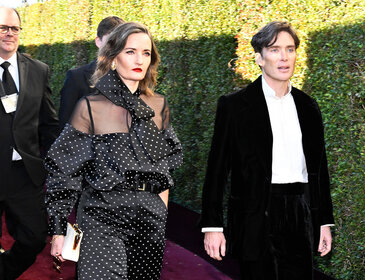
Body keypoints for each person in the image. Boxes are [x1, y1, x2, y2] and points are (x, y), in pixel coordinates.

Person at [46, 22, 183, 279]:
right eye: (130, 51)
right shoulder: (91, 107)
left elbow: (164, 168)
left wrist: (161, 214)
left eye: (146, 52)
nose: (139, 59)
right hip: (102, 217)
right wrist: (58, 229)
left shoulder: (158, 105)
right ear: (113, 57)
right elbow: (64, 171)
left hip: (149, 221)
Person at [200, 21, 334, 280]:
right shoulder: (235, 106)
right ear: (259, 58)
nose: (284, 57)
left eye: (290, 49)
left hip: (300, 212)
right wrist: (212, 225)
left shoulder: (308, 107)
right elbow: (217, 170)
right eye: (274, 50)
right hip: (254, 214)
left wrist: (323, 222)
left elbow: (319, 170)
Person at [0, 6, 59, 280]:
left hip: (25, 174)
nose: (9, 34)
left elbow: (48, 122)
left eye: (14, 28)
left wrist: (62, 160)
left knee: (34, 239)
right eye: (3, 28)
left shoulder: (38, 70)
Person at [58, 16, 124, 130]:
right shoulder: (76, 78)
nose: (116, 47)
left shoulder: (132, 77)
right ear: (98, 41)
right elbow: (65, 125)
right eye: (111, 41)